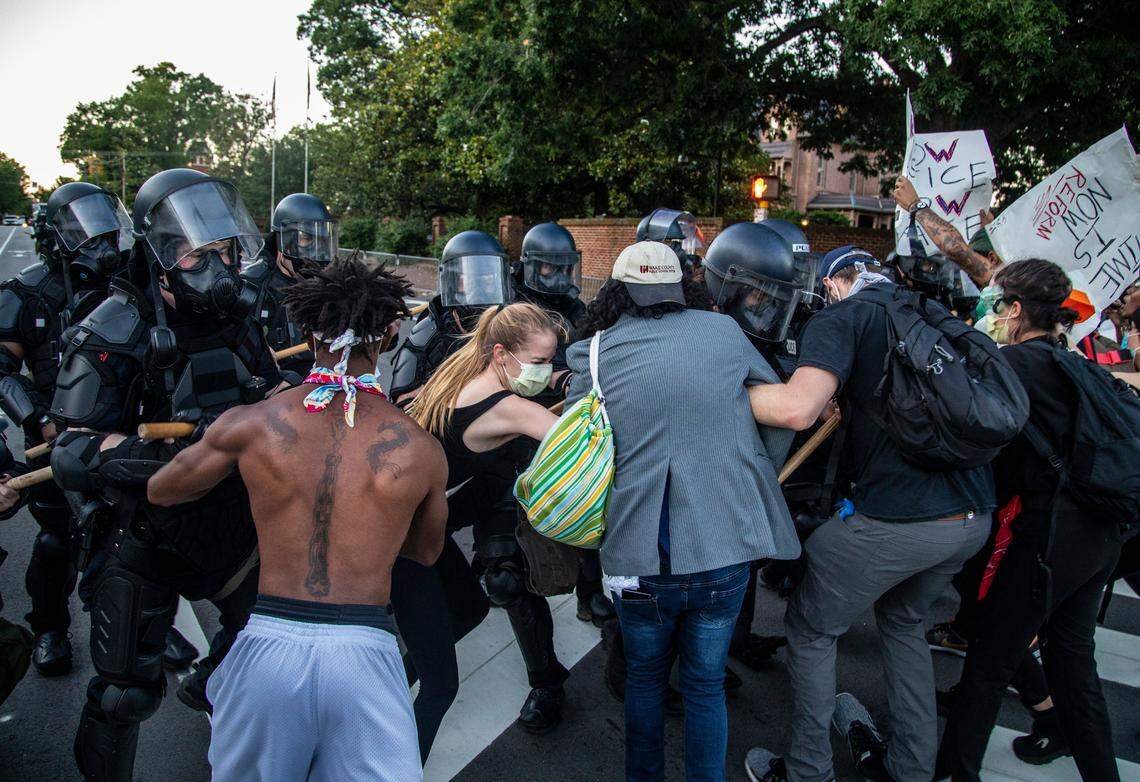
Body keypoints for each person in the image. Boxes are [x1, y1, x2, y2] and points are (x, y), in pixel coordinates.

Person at [147, 255, 442, 781]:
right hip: (365, 650)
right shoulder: (419, 447)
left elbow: (163, 491)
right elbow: (424, 551)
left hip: (269, 643)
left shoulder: (252, 425)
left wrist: (214, 438)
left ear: (307, 331)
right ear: (391, 332)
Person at [47, 168, 280, 781]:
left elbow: (266, 390)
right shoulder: (116, 324)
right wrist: (184, 454)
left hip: (232, 524)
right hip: (145, 528)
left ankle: (217, 698)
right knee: (124, 695)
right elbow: (72, 451)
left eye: (225, 250)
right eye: (197, 253)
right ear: (159, 252)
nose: (219, 266)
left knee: (273, 645)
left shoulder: (240, 315)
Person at [743, 245, 994, 782]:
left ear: (834, 283)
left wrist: (720, 394)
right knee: (903, 623)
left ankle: (808, 771)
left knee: (811, 627)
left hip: (898, 520)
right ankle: (911, 769)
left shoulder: (842, 316)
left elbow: (796, 407)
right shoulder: (928, 311)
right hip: (972, 514)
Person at [567, 240, 799, 782]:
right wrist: (753, 473)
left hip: (637, 556)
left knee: (644, 681)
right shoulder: (723, 332)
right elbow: (777, 413)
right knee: (705, 683)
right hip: (722, 547)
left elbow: (582, 444)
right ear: (684, 287)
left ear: (618, 290)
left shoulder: (594, 352)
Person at [936, 260, 1125, 782]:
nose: (989, 313)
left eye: (995, 303)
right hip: (1097, 533)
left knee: (989, 663)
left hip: (1050, 536)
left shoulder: (1011, 364)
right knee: (1074, 664)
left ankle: (955, 773)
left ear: (1015, 310)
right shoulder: (1072, 361)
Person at [408, 301, 572, 736]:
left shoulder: (464, 369)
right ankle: (393, 682)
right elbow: (579, 443)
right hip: (429, 521)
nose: (546, 368)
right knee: (470, 607)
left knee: (503, 583)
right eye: (539, 361)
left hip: (468, 494)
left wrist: (559, 376)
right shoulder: (504, 406)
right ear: (502, 355)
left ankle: (546, 681)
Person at [0, 181, 132, 676]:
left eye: (104, 225)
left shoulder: (127, 286)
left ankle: (143, 633)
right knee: (58, 539)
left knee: (133, 536)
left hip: (118, 435)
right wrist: (37, 418)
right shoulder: (27, 293)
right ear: (54, 235)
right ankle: (49, 628)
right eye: (83, 229)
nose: (99, 241)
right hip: (54, 441)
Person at [511, 221, 615, 629]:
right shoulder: (513, 305)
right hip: (519, 412)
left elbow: (589, 352)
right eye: (548, 268)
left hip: (570, 415)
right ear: (530, 266)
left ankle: (589, 594)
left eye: (563, 267)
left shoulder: (575, 308)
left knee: (581, 494)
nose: (557, 276)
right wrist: (554, 375)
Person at [389, 230, 514, 405]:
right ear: (453, 282)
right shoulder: (429, 332)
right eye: (470, 279)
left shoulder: (513, 328)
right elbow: (402, 402)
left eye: (487, 280)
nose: (480, 290)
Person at [243, 192, 340, 378]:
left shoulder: (331, 283)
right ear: (283, 239)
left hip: (324, 383)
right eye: (307, 239)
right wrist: (255, 355)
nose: (316, 250)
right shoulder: (253, 285)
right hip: (272, 390)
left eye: (322, 240)